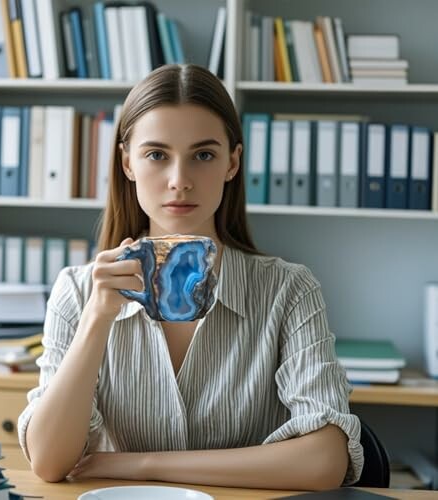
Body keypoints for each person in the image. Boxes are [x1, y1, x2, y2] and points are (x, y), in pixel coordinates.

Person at [18, 64, 363, 489]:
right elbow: (50, 462)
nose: (179, 181)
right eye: (156, 155)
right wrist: (96, 318)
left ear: (232, 163)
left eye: (203, 155)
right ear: (127, 163)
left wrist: (138, 466)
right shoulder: (77, 289)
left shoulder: (288, 289)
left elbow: (325, 460)